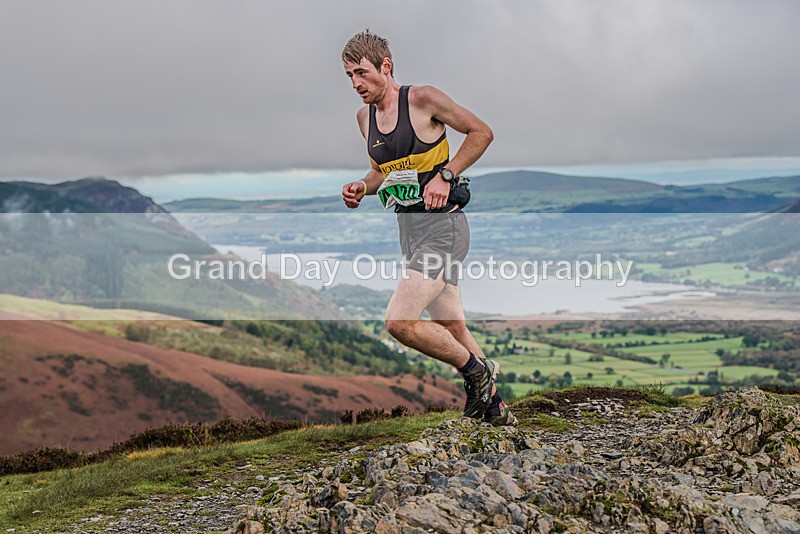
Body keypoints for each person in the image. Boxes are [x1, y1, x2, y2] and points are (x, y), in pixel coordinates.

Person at [340, 30, 516, 426]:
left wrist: (447, 174)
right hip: (411, 232)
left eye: (362, 73)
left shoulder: (422, 99)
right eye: (349, 76)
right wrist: (360, 189)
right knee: (451, 326)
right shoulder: (363, 118)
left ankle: (477, 371)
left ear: (385, 66)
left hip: (445, 228)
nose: (355, 84)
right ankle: (496, 412)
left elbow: (481, 132)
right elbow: (378, 173)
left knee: (399, 322)